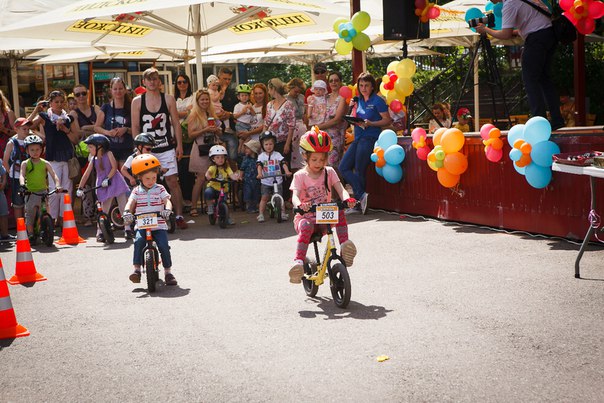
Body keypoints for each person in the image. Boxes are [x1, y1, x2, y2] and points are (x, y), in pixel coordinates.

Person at [475, 0, 565, 130]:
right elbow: (531, 21)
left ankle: (539, 122)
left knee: (530, 80)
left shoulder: (509, 4)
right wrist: (515, 31)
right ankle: (557, 121)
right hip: (549, 35)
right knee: (544, 80)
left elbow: (505, 34)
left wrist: (485, 29)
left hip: (536, 39)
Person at [288, 128, 357, 284]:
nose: (319, 163)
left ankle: (345, 245)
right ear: (305, 156)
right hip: (306, 218)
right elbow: (295, 196)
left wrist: (347, 200)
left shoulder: (329, 172)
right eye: (314, 159)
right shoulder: (299, 176)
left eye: (322, 159)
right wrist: (300, 205)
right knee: (306, 226)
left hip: (323, 217)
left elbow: (341, 190)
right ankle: (298, 263)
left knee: (339, 210)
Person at [131, 67, 188, 230]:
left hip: (166, 147)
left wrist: (179, 145)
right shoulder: (137, 101)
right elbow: (135, 126)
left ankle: (179, 215)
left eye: (155, 78)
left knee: (172, 181)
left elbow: (175, 123)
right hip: (146, 149)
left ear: (159, 81)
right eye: (149, 79)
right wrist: (137, 149)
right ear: (144, 82)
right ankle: (146, 217)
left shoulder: (168, 99)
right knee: (146, 182)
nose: (152, 82)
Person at [339, 72, 392, 215]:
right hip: (358, 138)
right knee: (343, 167)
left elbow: (387, 120)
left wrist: (371, 123)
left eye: (366, 85)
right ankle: (361, 196)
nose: (363, 88)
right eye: (361, 85)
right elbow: (352, 118)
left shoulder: (378, 101)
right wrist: (352, 111)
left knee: (359, 169)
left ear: (372, 86)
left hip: (370, 138)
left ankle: (358, 202)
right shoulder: (358, 100)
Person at [122, 154, 177, 286]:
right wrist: (127, 211)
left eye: (154, 177)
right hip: (142, 225)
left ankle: (168, 272)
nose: (151, 181)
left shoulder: (160, 189)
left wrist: (167, 209)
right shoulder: (136, 191)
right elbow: (130, 203)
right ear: (139, 177)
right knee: (138, 242)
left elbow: (167, 201)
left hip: (158, 225)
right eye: (147, 178)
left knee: (163, 245)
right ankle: (136, 270)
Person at [27, 90, 78, 226]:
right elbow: (28, 126)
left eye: (62, 101)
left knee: (67, 189)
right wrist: (36, 110)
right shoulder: (44, 116)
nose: (59, 104)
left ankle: (64, 218)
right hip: (52, 157)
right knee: (54, 189)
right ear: (50, 103)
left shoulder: (68, 118)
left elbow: (76, 139)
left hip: (67, 157)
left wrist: (65, 129)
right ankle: (52, 218)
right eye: (56, 102)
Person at [76, 134, 131, 241]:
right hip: (103, 184)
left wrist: (108, 178)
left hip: (115, 181)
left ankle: (128, 229)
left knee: (123, 206)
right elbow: (86, 174)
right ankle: (100, 231)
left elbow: (114, 167)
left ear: (99, 147)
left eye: (91, 147)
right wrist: (80, 188)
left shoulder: (109, 154)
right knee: (103, 210)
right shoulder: (93, 159)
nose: (89, 149)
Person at [187, 88, 222, 217]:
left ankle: (210, 205)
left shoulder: (212, 113)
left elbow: (220, 131)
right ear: (197, 101)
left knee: (211, 178)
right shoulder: (193, 115)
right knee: (201, 178)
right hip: (200, 148)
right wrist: (205, 129)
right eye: (202, 99)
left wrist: (216, 130)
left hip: (212, 147)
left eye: (207, 99)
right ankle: (193, 206)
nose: (205, 101)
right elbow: (190, 134)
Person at [18, 134, 61, 240]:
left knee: (45, 211)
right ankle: (31, 233)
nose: (35, 152)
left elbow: (54, 175)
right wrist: (22, 185)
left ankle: (46, 228)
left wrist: (57, 185)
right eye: (32, 150)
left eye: (37, 149)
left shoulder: (45, 163)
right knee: (30, 214)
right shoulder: (25, 163)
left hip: (43, 192)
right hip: (31, 193)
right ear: (27, 151)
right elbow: (22, 175)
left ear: (42, 149)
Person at [94, 77, 133, 167]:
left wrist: (126, 129)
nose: (118, 91)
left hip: (127, 148)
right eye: (115, 89)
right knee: (111, 174)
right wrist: (107, 132)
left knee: (126, 174)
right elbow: (96, 127)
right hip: (110, 149)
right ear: (111, 90)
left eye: (120, 88)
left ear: (125, 90)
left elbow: (137, 128)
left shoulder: (131, 106)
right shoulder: (106, 107)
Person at [256, 131, 292, 223]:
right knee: (264, 197)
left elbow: (283, 163)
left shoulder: (277, 155)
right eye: (266, 144)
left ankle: (283, 213)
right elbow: (259, 165)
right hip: (266, 181)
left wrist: (287, 171)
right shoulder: (261, 156)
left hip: (277, 180)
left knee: (280, 197)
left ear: (274, 144)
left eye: (271, 144)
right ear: (262, 145)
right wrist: (260, 174)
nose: (268, 146)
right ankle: (261, 214)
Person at [317, 71, 348, 169]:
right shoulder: (325, 97)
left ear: (340, 82)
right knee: (323, 166)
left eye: (336, 80)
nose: (333, 83)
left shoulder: (343, 98)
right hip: (322, 137)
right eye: (331, 81)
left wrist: (317, 127)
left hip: (335, 137)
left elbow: (337, 120)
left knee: (333, 167)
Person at [2, 118, 31, 221]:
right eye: (24, 129)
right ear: (16, 129)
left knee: (30, 202)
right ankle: (20, 226)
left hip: (30, 177)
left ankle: (29, 225)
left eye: (28, 129)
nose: (27, 131)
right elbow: (5, 161)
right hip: (16, 178)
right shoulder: (12, 143)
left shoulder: (31, 141)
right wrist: (10, 173)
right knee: (18, 203)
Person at [174, 74, 195, 209]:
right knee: (180, 168)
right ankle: (181, 199)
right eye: (179, 82)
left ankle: (189, 199)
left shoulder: (193, 97)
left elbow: (193, 113)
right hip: (176, 136)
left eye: (184, 82)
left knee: (189, 167)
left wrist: (176, 114)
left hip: (189, 136)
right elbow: (170, 116)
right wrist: (185, 112)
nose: (182, 84)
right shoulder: (172, 99)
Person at [204, 145, 240, 223]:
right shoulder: (212, 167)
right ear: (213, 159)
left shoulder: (227, 168)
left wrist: (235, 177)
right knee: (208, 192)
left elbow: (231, 175)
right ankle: (210, 206)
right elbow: (208, 173)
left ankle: (227, 217)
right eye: (217, 157)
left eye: (222, 157)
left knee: (224, 203)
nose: (220, 159)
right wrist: (208, 176)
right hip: (213, 187)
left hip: (223, 189)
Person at [264, 78, 295, 163]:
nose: (268, 92)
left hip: (283, 142)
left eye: (269, 89)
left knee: (284, 165)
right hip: (270, 142)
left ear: (273, 89)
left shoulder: (288, 105)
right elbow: (266, 123)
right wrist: (263, 140)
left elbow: (291, 126)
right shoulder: (269, 105)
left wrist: (287, 144)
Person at [208, 74, 237, 160]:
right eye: (225, 79)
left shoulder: (231, 92)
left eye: (229, 79)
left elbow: (220, 98)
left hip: (220, 110)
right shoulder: (209, 92)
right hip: (214, 111)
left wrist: (222, 92)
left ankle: (227, 128)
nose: (227, 81)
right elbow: (214, 99)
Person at [285, 78, 307, 171]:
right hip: (291, 127)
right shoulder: (285, 99)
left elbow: (305, 113)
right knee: (293, 150)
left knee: (302, 149)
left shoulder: (302, 97)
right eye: (295, 91)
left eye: (299, 92)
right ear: (290, 88)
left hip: (301, 126)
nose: (297, 93)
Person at [240, 139, 261, 214]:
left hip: (256, 179)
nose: (246, 150)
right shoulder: (246, 159)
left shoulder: (258, 159)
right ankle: (249, 207)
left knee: (256, 193)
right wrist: (241, 176)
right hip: (247, 179)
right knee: (248, 192)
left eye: (248, 148)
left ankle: (254, 206)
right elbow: (242, 168)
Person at [233, 84, 255, 154]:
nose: (244, 97)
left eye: (246, 95)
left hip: (248, 125)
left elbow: (254, 114)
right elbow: (235, 116)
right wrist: (242, 112)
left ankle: (241, 151)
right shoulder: (237, 106)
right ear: (238, 97)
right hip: (240, 125)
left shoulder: (250, 104)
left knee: (243, 140)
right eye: (242, 95)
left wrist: (251, 109)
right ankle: (242, 152)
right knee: (248, 138)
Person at [0, 162, 15, 242]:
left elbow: (3, 174)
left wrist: (3, 183)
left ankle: (5, 235)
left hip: (0, 191)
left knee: (4, 213)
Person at [0, 90, 16, 156]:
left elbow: (18, 133)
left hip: (9, 152)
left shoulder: (9, 113)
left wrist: (4, 129)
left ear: (0, 101)